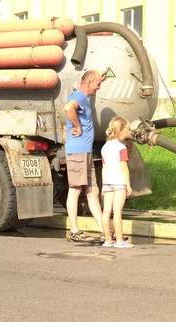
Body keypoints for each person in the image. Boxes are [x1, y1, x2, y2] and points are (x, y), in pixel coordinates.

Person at [64, 70, 105, 242]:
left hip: (85, 152)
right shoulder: (79, 96)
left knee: (93, 191)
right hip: (77, 151)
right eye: (98, 83)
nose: (99, 87)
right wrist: (77, 126)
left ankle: (105, 231)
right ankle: (74, 231)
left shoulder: (84, 98)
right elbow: (68, 108)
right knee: (75, 190)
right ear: (89, 83)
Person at [100, 116, 134, 248]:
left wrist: (103, 184)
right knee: (117, 211)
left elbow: (104, 167)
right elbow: (124, 167)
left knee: (106, 211)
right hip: (119, 182)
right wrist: (129, 185)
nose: (127, 133)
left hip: (107, 181)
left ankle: (108, 240)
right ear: (121, 131)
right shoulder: (121, 148)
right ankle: (120, 241)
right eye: (127, 130)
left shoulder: (104, 147)